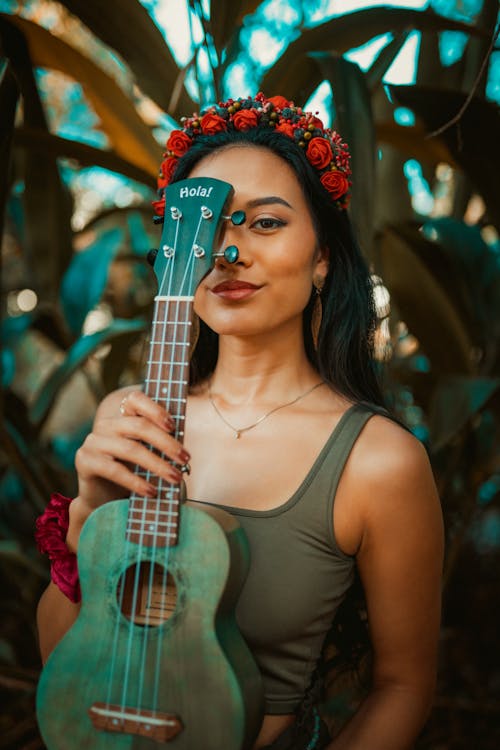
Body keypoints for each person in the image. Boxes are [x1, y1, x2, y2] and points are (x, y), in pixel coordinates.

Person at [36, 93, 444, 750]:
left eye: (264, 223)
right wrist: (89, 518)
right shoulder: (130, 418)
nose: (225, 252)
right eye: (207, 229)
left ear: (322, 260)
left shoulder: (379, 463)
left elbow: (403, 687)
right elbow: (65, 665)